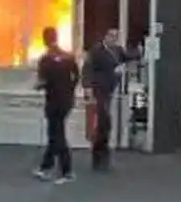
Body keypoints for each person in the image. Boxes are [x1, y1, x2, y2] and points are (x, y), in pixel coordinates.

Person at [84, 29, 139, 171]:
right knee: (103, 123)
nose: (113, 39)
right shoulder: (96, 51)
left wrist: (139, 51)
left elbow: (127, 57)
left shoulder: (118, 50)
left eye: (116, 37)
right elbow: (87, 68)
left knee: (106, 124)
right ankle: (99, 157)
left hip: (110, 90)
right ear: (106, 37)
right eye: (111, 36)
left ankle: (103, 156)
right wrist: (87, 88)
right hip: (99, 90)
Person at [32, 27, 80, 185]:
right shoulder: (68, 56)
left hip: (53, 102)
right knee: (55, 133)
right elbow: (76, 77)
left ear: (44, 40)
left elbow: (42, 82)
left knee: (57, 135)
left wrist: (38, 86)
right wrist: (69, 90)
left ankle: (67, 171)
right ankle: (45, 166)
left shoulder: (45, 59)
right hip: (66, 101)